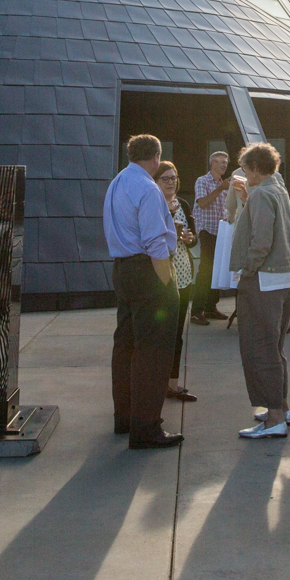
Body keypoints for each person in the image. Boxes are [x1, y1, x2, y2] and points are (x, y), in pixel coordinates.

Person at [103, 134, 184, 451]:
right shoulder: (148, 189)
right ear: (156, 157)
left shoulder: (117, 182)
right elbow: (155, 243)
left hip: (122, 270)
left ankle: (124, 417)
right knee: (153, 352)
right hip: (148, 273)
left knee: (125, 346)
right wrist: (166, 282)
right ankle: (147, 427)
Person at [229, 142, 290, 439]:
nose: (244, 172)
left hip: (265, 280)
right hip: (286, 277)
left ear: (256, 168)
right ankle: (279, 407)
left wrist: (247, 269)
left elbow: (261, 241)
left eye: (246, 168)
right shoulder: (278, 189)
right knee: (275, 347)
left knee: (260, 348)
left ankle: (273, 418)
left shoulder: (261, 194)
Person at [156, 161, 200, 401]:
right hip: (162, 277)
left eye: (174, 178)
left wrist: (190, 238)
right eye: (165, 178)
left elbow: (192, 239)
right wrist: (171, 216)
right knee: (161, 332)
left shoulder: (183, 203)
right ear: (155, 182)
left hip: (183, 274)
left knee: (177, 333)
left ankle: (172, 384)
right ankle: (156, 383)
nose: (171, 182)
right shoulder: (154, 204)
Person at [190, 151, 231, 325]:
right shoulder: (203, 181)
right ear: (212, 163)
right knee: (206, 270)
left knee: (217, 270)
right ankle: (196, 311)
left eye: (226, 162)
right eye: (221, 162)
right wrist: (221, 189)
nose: (224, 165)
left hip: (221, 231)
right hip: (207, 231)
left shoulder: (224, 184)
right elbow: (203, 203)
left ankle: (210, 307)